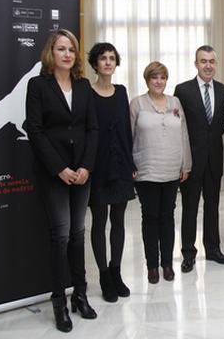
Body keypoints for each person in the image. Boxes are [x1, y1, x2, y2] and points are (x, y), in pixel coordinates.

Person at [25, 29, 98, 333]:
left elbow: (92, 129)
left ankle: (80, 295)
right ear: (50, 53)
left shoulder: (82, 86)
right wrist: (59, 168)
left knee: (79, 234)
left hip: (81, 173)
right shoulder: (38, 85)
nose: (67, 54)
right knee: (61, 235)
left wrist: (85, 167)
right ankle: (59, 302)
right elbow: (35, 131)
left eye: (71, 49)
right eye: (61, 49)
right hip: (53, 174)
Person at [130, 61, 192, 284]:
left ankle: (167, 263)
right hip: (146, 170)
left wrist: (186, 164)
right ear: (147, 80)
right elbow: (128, 136)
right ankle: (152, 266)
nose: (159, 81)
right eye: (154, 77)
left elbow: (183, 133)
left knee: (168, 217)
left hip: (172, 169)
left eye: (162, 77)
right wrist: (130, 165)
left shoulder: (175, 102)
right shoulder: (137, 103)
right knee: (151, 217)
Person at [174, 45, 224, 273]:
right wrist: (181, 162)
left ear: (216, 64)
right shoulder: (183, 90)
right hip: (191, 161)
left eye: (212, 61)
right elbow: (178, 127)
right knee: (189, 207)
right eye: (203, 61)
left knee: (213, 205)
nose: (208, 65)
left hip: (215, 158)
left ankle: (213, 249)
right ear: (195, 63)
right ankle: (188, 253)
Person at [87, 43, 136, 302]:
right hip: (97, 167)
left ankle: (116, 272)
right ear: (95, 63)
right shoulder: (86, 91)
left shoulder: (121, 92)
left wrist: (131, 165)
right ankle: (104, 275)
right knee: (99, 221)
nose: (107, 62)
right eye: (103, 58)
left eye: (112, 58)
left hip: (120, 165)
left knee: (119, 221)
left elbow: (126, 132)